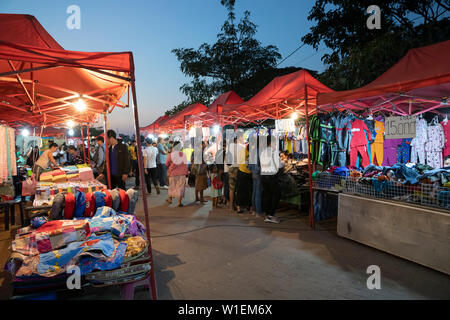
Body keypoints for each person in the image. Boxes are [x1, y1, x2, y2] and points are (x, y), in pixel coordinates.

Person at [260, 136, 281, 223]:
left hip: (263, 175)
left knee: (267, 195)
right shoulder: (273, 152)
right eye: (275, 142)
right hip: (271, 175)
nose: (275, 144)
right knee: (276, 195)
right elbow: (278, 165)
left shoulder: (263, 152)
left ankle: (267, 215)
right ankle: (271, 215)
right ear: (271, 142)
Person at [166, 141, 188, 207]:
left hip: (173, 173)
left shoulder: (171, 155)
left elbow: (166, 163)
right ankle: (179, 202)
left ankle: (170, 200)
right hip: (182, 173)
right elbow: (185, 163)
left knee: (172, 187)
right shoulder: (183, 154)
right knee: (180, 188)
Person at [235, 143, 253, 213]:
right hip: (247, 173)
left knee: (240, 190)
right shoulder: (252, 153)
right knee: (249, 191)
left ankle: (239, 207)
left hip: (241, 172)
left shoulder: (242, 151)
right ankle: (250, 207)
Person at [248, 137, 263, 217]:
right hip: (258, 173)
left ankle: (254, 210)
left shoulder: (252, 151)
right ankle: (258, 211)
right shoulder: (259, 151)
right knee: (258, 193)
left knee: (254, 192)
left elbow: (249, 165)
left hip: (253, 173)